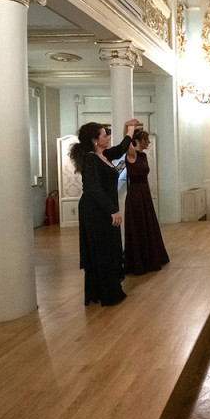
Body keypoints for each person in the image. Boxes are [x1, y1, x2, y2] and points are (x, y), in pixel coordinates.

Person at [69, 118, 140, 306]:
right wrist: (113, 210)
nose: (107, 137)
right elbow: (93, 188)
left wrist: (130, 130)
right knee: (104, 250)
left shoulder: (104, 155)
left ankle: (105, 290)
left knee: (109, 248)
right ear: (94, 140)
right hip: (95, 210)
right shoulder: (91, 159)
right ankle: (107, 293)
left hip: (101, 207)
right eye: (104, 135)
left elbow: (122, 147)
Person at [123, 130, 169, 275]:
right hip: (135, 195)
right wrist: (127, 127)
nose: (148, 142)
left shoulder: (143, 156)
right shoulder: (132, 154)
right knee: (139, 225)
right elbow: (126, 140)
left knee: (147, 224)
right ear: (138, 141)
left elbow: (145, 177)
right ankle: (139, 261)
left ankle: (150, 258)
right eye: (146, 139)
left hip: (144, 194)